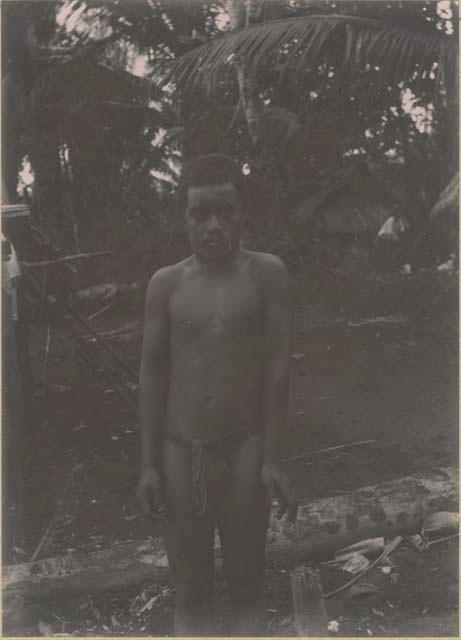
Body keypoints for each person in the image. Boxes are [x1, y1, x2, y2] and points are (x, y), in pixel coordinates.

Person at [137, 154, 297, 636]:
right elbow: (150, 372)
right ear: (183, 218)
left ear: (243, 213)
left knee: (247, 581)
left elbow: (278, 365)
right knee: (190, 585)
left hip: (245, 445)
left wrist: (273, 456)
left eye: (225, 211)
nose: (214, 226)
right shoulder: (166, 284)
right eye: (200, 214)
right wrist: (148, 465)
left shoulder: (266, 274)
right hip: (181, 450)